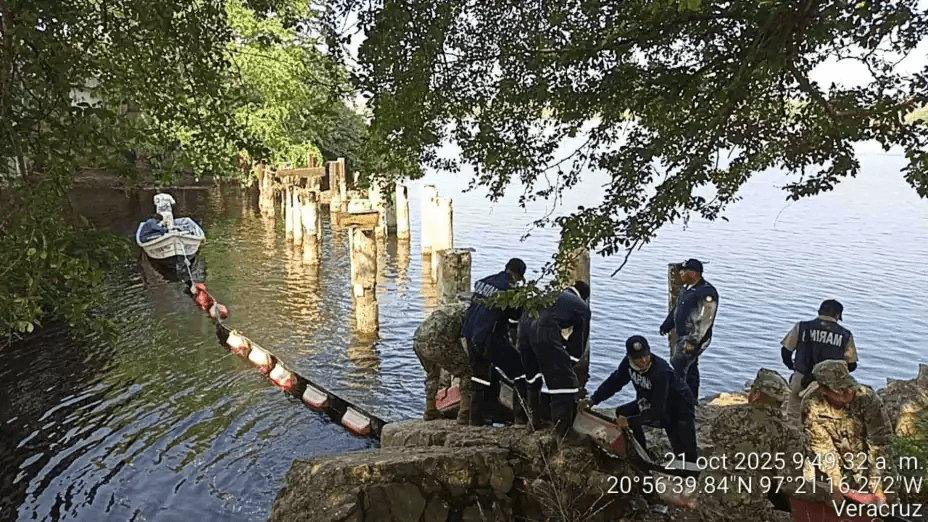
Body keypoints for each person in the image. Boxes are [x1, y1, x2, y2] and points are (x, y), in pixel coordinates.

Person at [696, 369, 831, 522]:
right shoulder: (788, 434)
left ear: (754, 395)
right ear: (781, 402)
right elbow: (791, 485)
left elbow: (716, 438)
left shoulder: (726, 416)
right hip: (743, 512)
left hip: (706, 501)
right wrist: (827, 493)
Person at [582, 335, 699, 462]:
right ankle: (641, 453)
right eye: (637, 358)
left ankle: (690, 469)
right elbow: (614, 382)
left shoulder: (660, 372)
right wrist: (593, 400)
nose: (643, 360)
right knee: (623, 412)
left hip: (678, 406)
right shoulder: (628, 364)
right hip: (649, 401)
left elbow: (658, 412)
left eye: (645, 356)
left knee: (685, 453)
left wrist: (630, 421)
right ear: (630, 357)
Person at [801, 360, 892, 500]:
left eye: (849, 387)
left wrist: (877, 486)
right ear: (824, 390)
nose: (848, 393)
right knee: (819, 489)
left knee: (885, 494)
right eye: (840, 391)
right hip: (831, 457)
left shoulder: (867, 399)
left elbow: (879, 444)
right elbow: (822, 447)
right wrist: (835, 483)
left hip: (864, 456)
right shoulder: (813, 403)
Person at [519, 281, 591, 439]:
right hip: (544, 331)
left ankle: (533, 421)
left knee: (532, 378)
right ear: (584, 297)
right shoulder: (581, 307)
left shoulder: (552, 295)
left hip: (524, 331)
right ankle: (563, 432)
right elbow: (578, 345)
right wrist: (567, 364)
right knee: (566, 383)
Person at [461, 258, 528, 426]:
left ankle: (476, 419)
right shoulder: (511, 291)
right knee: (521, 372)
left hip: (469, 334)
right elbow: (514, 318)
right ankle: (521, 419)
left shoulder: (485, 282)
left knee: (480, 376)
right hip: (490, 336)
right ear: (519, 276)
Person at [781, 299, 858, 421]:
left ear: (819, 311)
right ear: (838, 315)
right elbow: (852, 365)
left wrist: (792, 367)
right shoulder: (845, 335)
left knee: (793, 416)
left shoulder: (802, 327)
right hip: (830, 386)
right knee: (823, 420)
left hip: (802, 379)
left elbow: (786, 351)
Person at [659, 258, 718, 399]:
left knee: (678, 365)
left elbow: (705, 320)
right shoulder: (687, 288)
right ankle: (690, 400)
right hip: (682, 335)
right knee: (690, 368)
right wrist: (668, 324)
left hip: (694, 337)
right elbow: (677, 308)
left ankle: (679, 399)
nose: (680, 273)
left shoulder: (706, 292)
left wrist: (692, 341)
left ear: (693, 273)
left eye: (684, 271)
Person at [413, 302, 472, 424]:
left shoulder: (450, 308)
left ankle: (430, 410)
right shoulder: (469, 313)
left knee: (432, 374)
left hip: (418, 341)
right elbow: (468, 338)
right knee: (467, 373)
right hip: (438, 342)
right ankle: (464, 413)